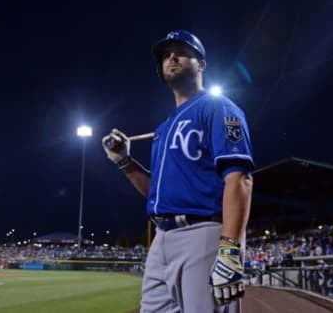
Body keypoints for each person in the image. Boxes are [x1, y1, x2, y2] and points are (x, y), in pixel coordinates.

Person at [102, 30, 254, 312]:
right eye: (166, 54)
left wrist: (230, 248)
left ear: (202, 64)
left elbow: (239, 177)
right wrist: (125, 162)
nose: (171, 57)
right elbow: (158, 193)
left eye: (181, 51)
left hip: (203, 234)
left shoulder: (217, 107)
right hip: (162, 239)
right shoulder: (163, 128)